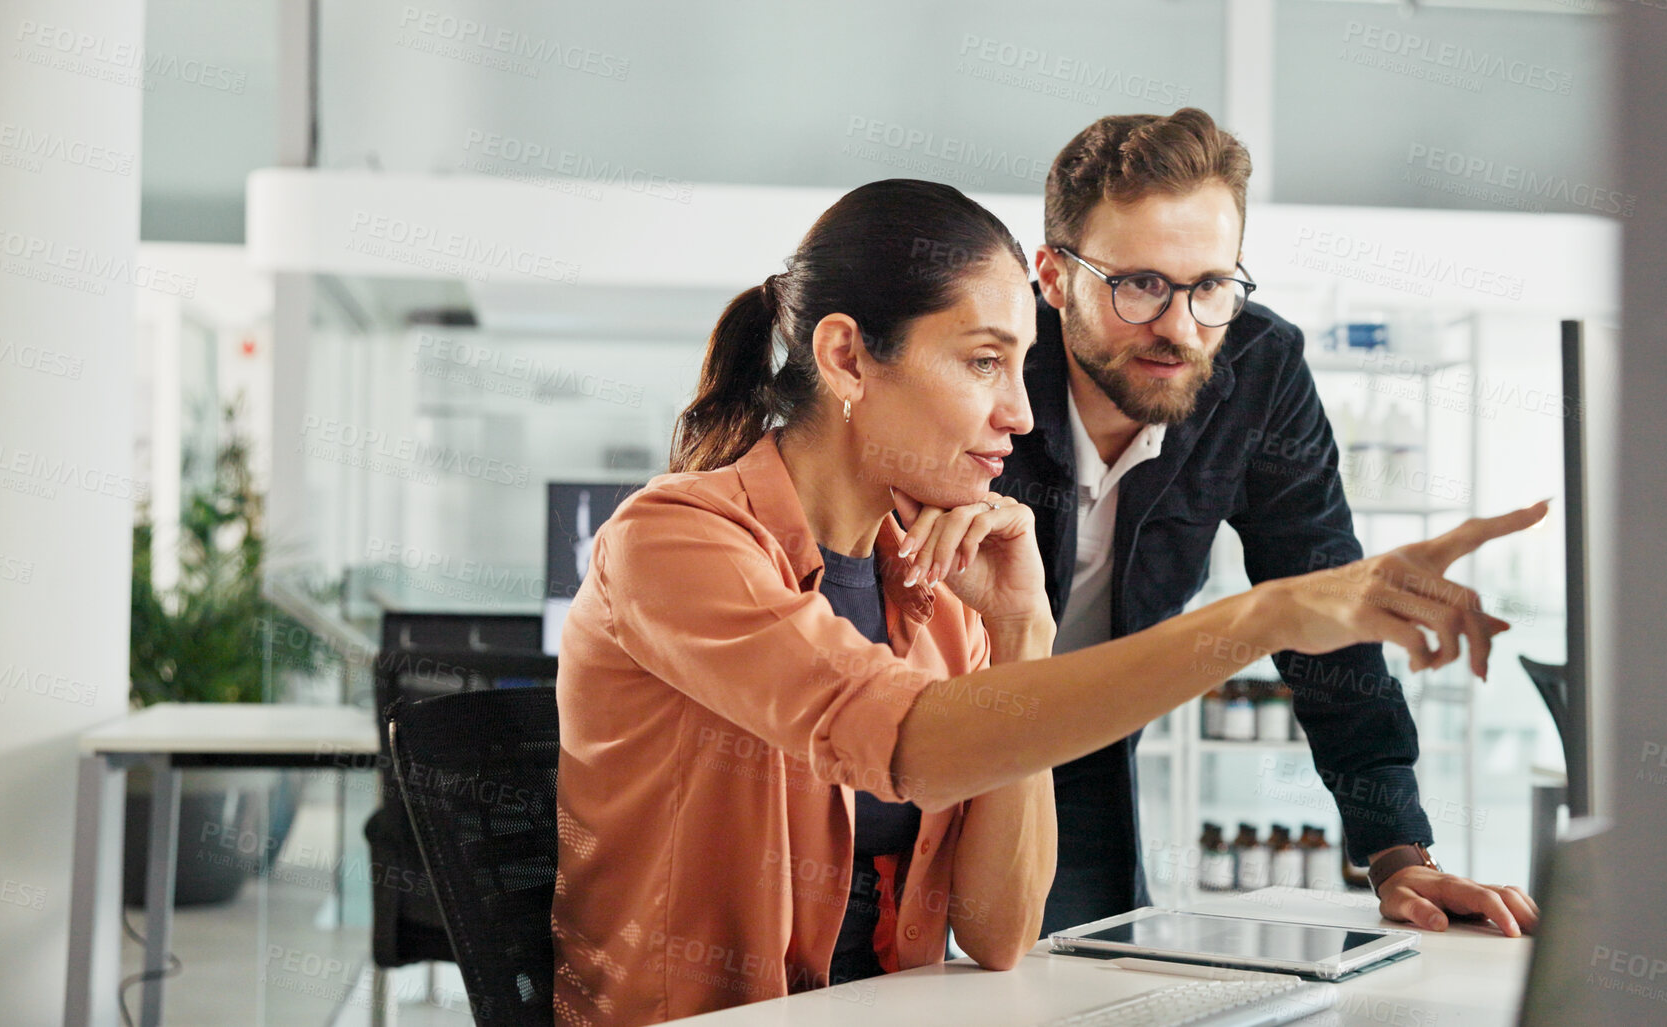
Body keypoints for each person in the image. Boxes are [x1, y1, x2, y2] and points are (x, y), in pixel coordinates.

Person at [552, 177, 1544, 1025]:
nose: (1022, 413)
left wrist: (1023, 628)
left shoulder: (938, 594)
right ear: (847, 357)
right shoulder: (675, 541)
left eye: (1018, 364)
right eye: (983, 361)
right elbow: (908, 742)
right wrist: (1264, 616)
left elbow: (997, 932)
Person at [996, 107, 1541, 940]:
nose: (1179, 328)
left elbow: (1323, 604)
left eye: (1210, 286)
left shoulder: (1257, 367)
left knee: (1075, 978)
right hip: (914, 724)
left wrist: (1398, 853)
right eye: (1138, 284)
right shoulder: (984, 353)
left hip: (1078, 745)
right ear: (1052, 275)